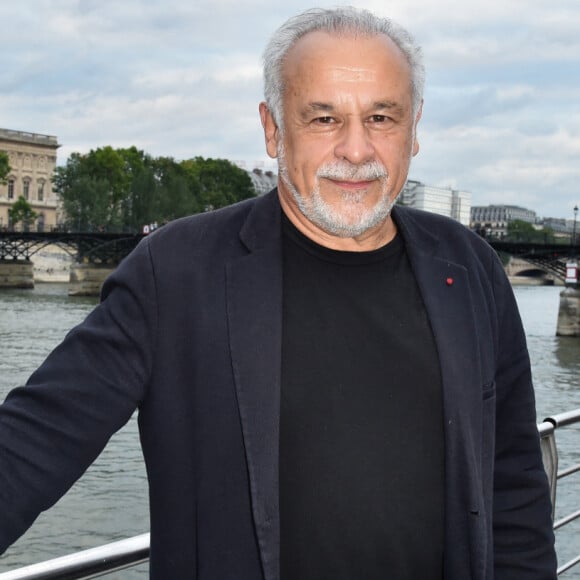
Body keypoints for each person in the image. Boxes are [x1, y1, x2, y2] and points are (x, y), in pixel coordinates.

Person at [0, 7, 557, 579]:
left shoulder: (470, 269)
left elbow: (511, 484)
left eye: (381, 118)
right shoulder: (177, 271)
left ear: (414, 128)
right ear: (272, 128)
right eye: (323, 119)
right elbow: (35, 440)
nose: (357, 150)